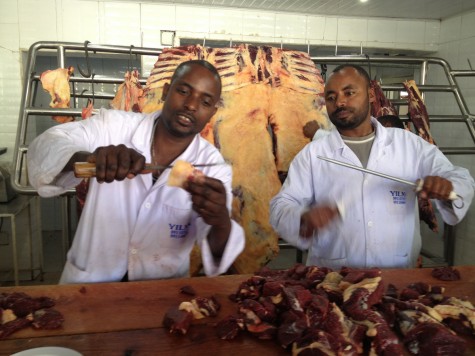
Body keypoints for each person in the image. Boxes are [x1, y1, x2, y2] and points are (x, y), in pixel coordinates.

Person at [28, 60, 245, 284]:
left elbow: (217, 250)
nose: (191, 105)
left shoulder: (212, 165)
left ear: (212, 112)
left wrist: (219, 220)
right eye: (183, 91)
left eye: (205, 101)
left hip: (161, 294)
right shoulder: (112, 127)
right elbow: (47, 144)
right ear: (167, 91)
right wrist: (89, 158)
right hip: (89, 286)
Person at [270, 64, 474, 270]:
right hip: (332, 283)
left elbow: (461, 179)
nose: (339, 102)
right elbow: (281, 206)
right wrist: (303, 218)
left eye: (349, 92)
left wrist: (449, 187)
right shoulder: (313, 155)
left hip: (397, 280)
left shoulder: (409, 145)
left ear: (370, 95)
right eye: (331, 97)